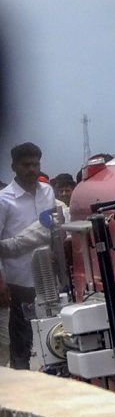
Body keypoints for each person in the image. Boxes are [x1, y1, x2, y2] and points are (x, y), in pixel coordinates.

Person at [0, 142, 58, 368]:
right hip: (18, 281)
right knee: (23, 342)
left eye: (35, 164)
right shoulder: (4, 199)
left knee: (51, 337)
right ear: (14, 167)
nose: (32, 169)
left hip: (48, 281)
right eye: (26, 165)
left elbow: (52, 229)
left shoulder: (48, 192)